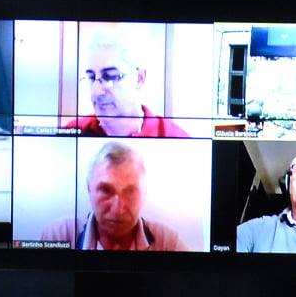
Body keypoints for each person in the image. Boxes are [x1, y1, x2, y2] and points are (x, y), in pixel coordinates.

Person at [43, 142, 189, 251]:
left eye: (130, 192)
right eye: (106, 190)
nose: (118, 209)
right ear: (89, 188)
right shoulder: (58, 236)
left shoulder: (168, 243)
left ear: (144, 193)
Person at [61, 26, 190, 139]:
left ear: (139, 78)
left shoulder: (173, 137)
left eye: (110, 76)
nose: (96, 91)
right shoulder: (73, 131)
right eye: (92, 77)